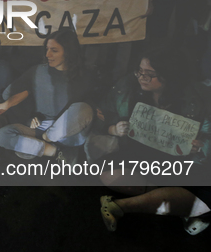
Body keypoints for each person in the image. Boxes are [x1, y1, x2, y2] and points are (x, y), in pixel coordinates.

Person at [84, 48, 211, 233]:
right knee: (106, 171)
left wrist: (202, 146)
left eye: (150, 74)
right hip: (141, 157)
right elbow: (101, 113)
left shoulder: (196, 97)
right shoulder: (128, 87)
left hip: (181, 163)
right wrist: (113, 128)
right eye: (140, 71)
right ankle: (177, 203)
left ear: (170, 76)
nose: (142, 77)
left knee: (205, 194)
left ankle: (123, 206)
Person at [0, 30, 95, 163]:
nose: (48, 54)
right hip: (41, 127)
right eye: (47, 49)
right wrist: (30, 116)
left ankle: (39, 145)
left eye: (54, 50)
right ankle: (56, 152)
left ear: (68, 52)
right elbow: (10, 93)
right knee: (2, 135)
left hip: (68, 133)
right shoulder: (38, 71)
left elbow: (86, 112)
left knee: (83, 108)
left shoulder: (85, 76)